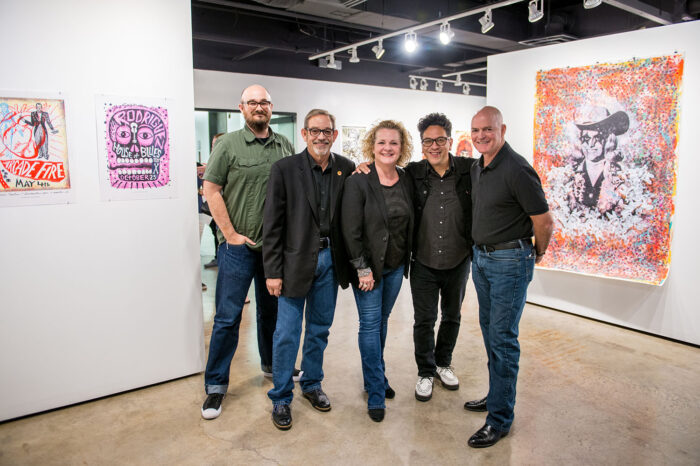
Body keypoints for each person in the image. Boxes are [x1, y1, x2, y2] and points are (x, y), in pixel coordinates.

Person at [200, 84, 297, 420]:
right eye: (252, 102)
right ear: (241, 108)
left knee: (271, 313)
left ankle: (271, 365)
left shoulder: (284, 144)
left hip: (274, 249)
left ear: (271, 108)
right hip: (239, 248)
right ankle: (215, 386)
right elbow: (210, 189)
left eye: (264, 102)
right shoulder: (227, 144)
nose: (259, 107)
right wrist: (229, 234)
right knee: (228, 318)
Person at [465, 106, 553, 448]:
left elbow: (543, 221)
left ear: (503, 129)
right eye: (475, 130)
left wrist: (537, 253)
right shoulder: (478, 166)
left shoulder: (517, 168)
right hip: (482, 259)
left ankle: (499, 419)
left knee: (502, 338)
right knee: (490, 332)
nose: (480, 136)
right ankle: (496, 396)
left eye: (487, 129)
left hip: (509, 261)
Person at [263, 109, 355, 430]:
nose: (321, 137)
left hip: (331, 262)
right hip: (293, 264)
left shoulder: (346, 168)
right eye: (314, 131)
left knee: (319, 329)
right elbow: (272, 225)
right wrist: (272, 272)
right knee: (287, 333)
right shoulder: (285, 169)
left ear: (334, 134)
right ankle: (281, 397)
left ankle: (312, 383)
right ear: (304, 134)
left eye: (326, 131)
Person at [341, 120, 414, 422]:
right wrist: (361, 268)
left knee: (381, 322)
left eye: (394, 143)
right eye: (382, 143)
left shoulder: (406, 178)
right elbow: (350, 227)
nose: (387, 148)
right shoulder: (359, 180)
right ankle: (374, 390)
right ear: (373, 145)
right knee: (370, 326)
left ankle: (377, 376)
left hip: (396, 267)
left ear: (402, 147)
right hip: (368, 270)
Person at [407, 113, 476, 402]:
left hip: (458, 260)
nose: (434, 146)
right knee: (424, 320)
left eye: (439, 140)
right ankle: (425, 371)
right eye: (427, 141)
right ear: (421, 144)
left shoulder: (470, 169)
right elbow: (381, 173)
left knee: (452, 316)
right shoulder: (412, 172)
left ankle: (442, 363)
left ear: (449, 140)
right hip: (423, 261)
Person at [568, 106, 629, 215]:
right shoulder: (569, 176)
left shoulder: (620, 177)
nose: (590, 145)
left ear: (608, 139)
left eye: (597, 138)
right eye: (586, 138)